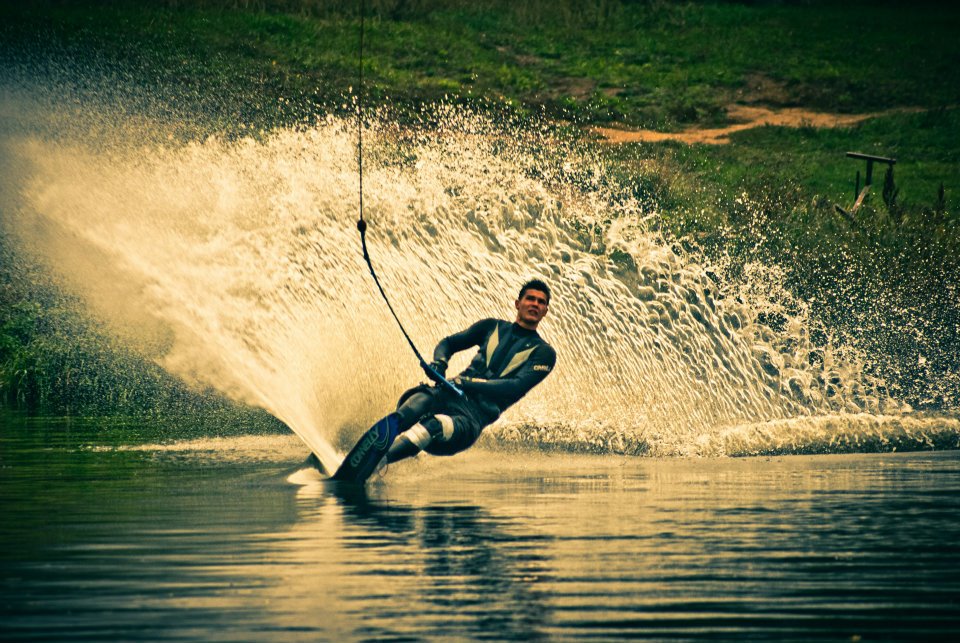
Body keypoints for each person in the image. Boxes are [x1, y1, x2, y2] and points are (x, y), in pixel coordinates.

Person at [385, 279, 557, 464]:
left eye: (541, 302)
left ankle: (379, 462)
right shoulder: (491, 327)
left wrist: (465, 383)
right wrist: (439, 364)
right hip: (447, 395)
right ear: (518, 303)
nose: (535, 304)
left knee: (433, 426)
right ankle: (371, 449)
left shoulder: (544, 353)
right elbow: (448, 344)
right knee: (418, 399)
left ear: (545, 311)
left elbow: (515, 386)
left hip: (470, 419)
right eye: (530, 299)